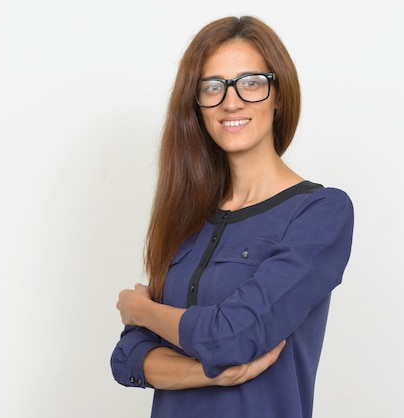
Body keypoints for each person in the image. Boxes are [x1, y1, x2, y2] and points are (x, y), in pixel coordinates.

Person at [110, 15, 354, 418]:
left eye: (251, 82)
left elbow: (233, 337)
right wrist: (209, 374)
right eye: (212, 86)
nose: (231, 100)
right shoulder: (188, 217)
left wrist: (142, 310)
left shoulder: (321, 213)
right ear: (197, 106)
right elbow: (128, 358)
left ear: (279, 94)